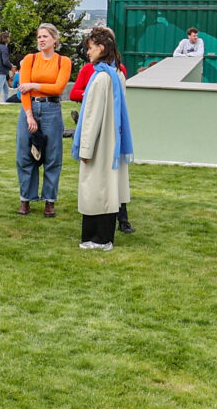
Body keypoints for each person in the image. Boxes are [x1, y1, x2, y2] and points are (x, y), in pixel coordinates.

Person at [75, 24, 134, 250]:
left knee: (94, 189)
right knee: (109, 189)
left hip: (100, 143)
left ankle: (97, 238)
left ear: (101, 48)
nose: (88, 52)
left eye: (90, 48)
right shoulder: (117, 73)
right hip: (113, 140)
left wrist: (85, 149)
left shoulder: (100, 78)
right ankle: (104, 237)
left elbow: (91, 117)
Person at [16, 21, 74, 216]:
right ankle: (26, 199)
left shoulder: (63, 61)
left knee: (53, 156)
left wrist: (35, 84)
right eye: (39, 37)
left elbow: (58, 88)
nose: (41, 40)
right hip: (30, 108)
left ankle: (50, 200)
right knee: (25, 154)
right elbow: (23, 90)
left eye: (45, 36)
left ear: (54, 40)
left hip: (52, 109)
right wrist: (29, 115)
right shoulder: (30, 59)